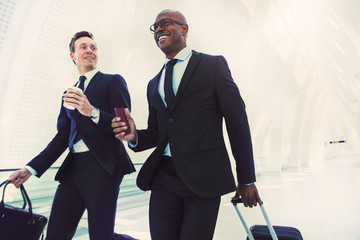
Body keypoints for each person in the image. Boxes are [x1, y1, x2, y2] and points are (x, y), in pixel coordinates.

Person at [111, 9, 262, 240]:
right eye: (155, 27)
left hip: (203, 177)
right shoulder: (154, 83)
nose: (159, 29)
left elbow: (237, 121)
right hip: (164, 177)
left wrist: (247, 178)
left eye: (165, 23)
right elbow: (157, 133)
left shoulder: (213, 66)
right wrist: (134, 136)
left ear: (184, 28)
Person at [8, 31, 138, 240]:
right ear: (73, 55)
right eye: (83, 47)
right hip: (73, 169)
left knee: (101, 237)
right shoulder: (68, 94)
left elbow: (124, 125)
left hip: (103, 167)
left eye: (93, 47)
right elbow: (62, 138)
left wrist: (92, 111)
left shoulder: (113, 81)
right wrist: (30, 168)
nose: (89, 51)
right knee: (56, 235)